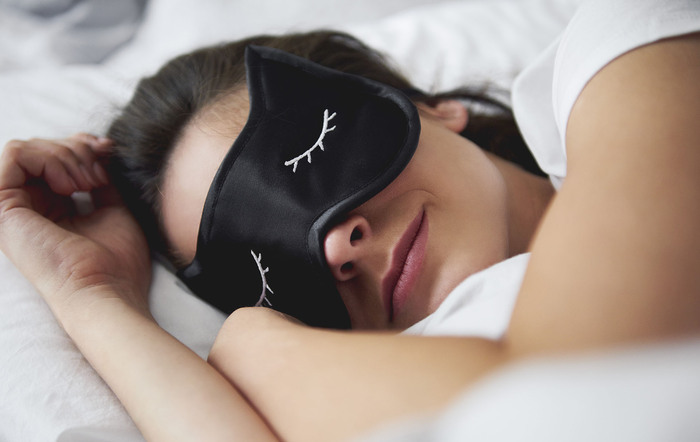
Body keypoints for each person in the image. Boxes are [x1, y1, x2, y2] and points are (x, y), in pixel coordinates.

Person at [0, 0, 698, 440]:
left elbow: (576, 394)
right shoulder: (357, 371)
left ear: (427, 105)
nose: (334, 244)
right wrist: (89, 297)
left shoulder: (617, 55)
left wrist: (253, 347)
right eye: (262, 271)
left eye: (308, 153)